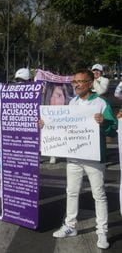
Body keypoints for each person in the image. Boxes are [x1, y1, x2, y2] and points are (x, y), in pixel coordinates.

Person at [50, 69, 117, 250]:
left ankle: (102, 231)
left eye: (80, 81)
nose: (77, 85)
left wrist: (104, 123)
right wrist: (46, 124)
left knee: (99, 194)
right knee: (71, 191)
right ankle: (70, 226)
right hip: (74, 157)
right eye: (75, 82)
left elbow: (113, 129)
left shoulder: (102, 103)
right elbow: (64, 125)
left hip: (94, 157)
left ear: (90, 83)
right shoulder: (72, 102)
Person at [43, 83, 74, 163]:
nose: (54, 100)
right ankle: (53, 155)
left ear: (65, 96)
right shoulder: (47, 112)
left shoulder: (72, 110)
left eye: (59, 96)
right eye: (51, 97)